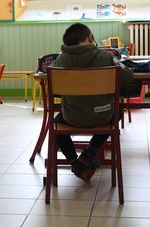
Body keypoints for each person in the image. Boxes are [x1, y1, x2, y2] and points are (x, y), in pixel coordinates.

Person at [52, 23, 134, 181]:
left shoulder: (59, 61)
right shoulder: (106, 57)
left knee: (55, 125)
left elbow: (56, 91)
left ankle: (75, 163)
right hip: (103, 115)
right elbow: (128, 76)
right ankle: (89, 152)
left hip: (72, 117)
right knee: (118, 113)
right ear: (90, 37)